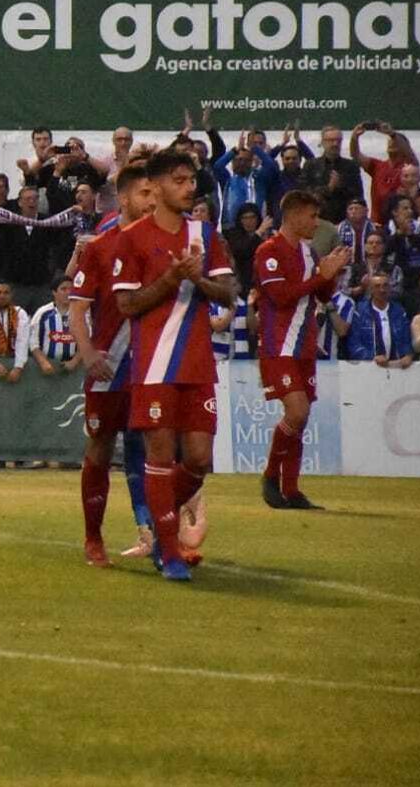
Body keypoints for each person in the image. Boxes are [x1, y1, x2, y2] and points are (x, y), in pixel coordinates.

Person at [112, 147, 238, 582]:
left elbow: (228, 294)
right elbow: (127, 304)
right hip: (154, 365)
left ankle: (162, 522)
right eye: (180, 181)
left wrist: (198, 277)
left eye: (192, 182)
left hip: (198, 363)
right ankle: (169, 552)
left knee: (199, 459)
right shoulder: (133, 238)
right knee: (160, 456)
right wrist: (170, 279)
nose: (189, 189)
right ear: (160, 185)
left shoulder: (204, 233)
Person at [68, 162, 157, 566]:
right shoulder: (101, 248)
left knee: (152, 449)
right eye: (145, 194)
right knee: (101, 449)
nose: (153, 201)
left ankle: (155, 535)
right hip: (110, 366)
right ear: (123, 198)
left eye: (155, 194)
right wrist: (87, 354)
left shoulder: (162, 246)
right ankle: (93, 537)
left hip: (152, 367)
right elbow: (77, 307)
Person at [254, 189, 353, 511]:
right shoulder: (268, 251)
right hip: (278, 345)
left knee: (301, 417)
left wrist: (331, 272)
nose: (317, 222)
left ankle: (292, 489)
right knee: (297, 412)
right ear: (294, 215)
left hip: (304, 344)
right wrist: (318, 278)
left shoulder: (309, 253)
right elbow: (281, 297)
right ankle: (270, 478)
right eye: (312, 216)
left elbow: (322, 296)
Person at [350, 122, 417, 226]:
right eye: (390, 141)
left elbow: (408, 153)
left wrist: (392, 134)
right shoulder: (378, 165)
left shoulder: (409, 167)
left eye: (395, 141)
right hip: (378, 224)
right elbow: (356, 155)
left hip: (401, 224)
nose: (392, 142)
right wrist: (355, 138)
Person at [342, 272, 416, 367]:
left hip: (397, 367)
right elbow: (353, 344)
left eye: (385, 286)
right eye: (377, 286)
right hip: (368, 367)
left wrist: (408, 354)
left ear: (390, 288)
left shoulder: (399, 311)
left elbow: (407, 338)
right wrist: (372, 357)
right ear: (371, 290)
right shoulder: (359, 312)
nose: (382, 290)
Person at [301, 124, 365, 224]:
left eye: (338, 140)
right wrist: (329, 188)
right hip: (317, 222)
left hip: (344, 223)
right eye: (330, 140)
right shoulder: (311, 165)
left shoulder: (351, 166)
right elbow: (305, 195)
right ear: (322, 142)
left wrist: (340, 186)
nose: (335, 144)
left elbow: (358, 196)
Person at [28, 275, 80, 376]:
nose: (68, 292)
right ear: (54, 292)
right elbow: (33, 342)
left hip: (74, 369)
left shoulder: (81, 314)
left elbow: (88, 340)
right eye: (63, 289)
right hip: (46, 367)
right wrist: (43, 362)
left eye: (71, 289)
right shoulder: (42, 313)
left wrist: (75, 361)